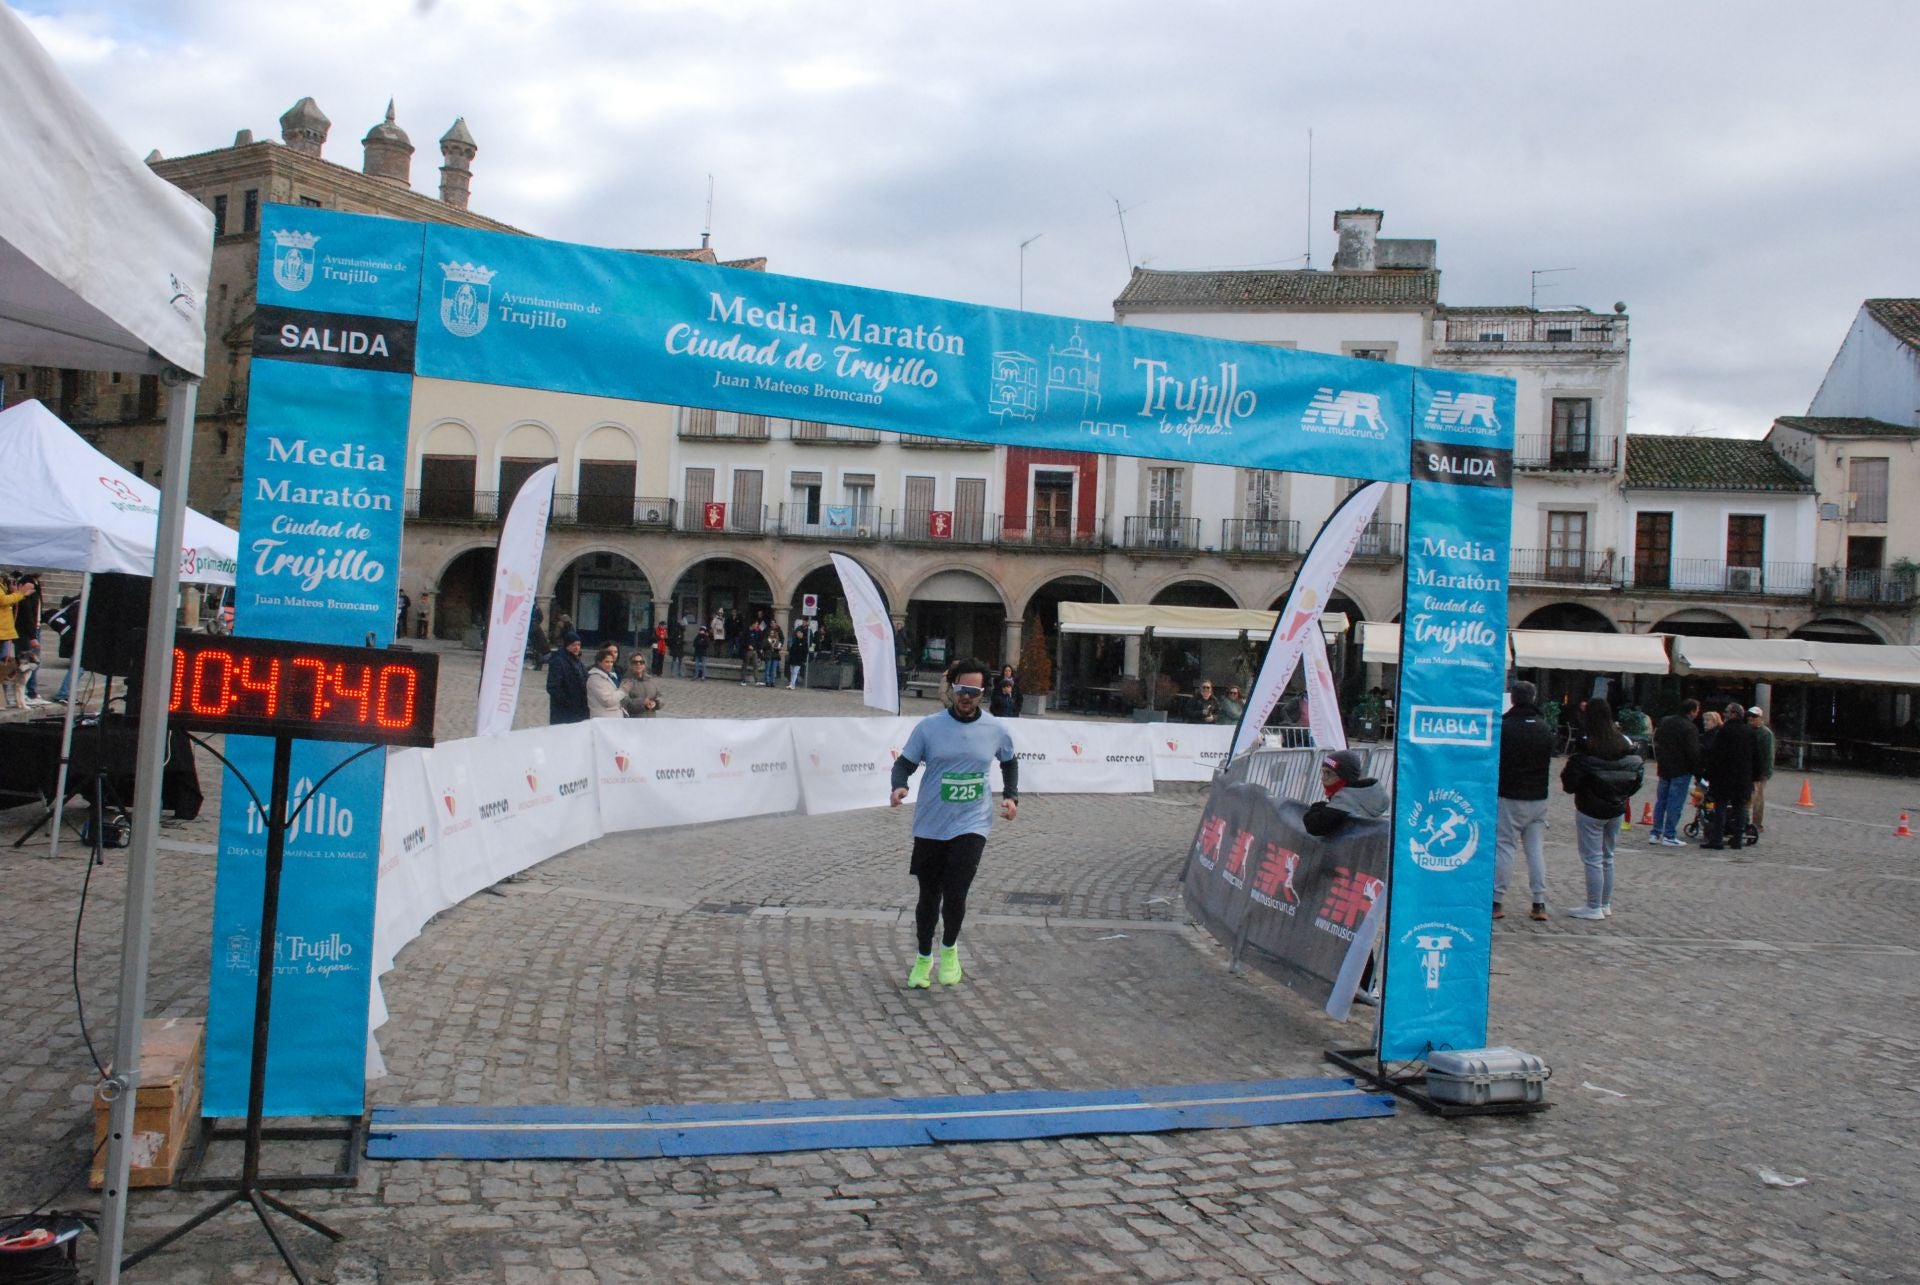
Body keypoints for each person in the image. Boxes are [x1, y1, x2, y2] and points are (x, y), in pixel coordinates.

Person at [888, 657, 1019, 989]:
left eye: (974, 692)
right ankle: (922, 958)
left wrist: (1011, 795)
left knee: (956, 892)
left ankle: (949, 951)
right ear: (952, 688)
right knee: (929, 896)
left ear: (983, 693)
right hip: (931, 824)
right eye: (961, 689)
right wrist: (899, 786)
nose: (966, 697)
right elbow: (903, 764)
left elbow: (1009, 761)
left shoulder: (995, 728)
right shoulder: (929, 727)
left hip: (972, 823)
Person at [1559, 698, 1644, 920]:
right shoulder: (1624, 743)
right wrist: (1623, 794)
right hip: (1616, 805)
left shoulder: (1587, 745)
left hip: (1590, 806)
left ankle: (1594, 905)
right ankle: (1604, 903)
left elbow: (1570, 781)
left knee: (1592, 857)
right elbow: (1636, 775)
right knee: (1608, 856)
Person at [1494, 680, 1554, 921]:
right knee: (1535, 850)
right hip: (1539, 796)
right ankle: (1539, 902)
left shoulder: (1505, 727)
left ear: (1513, 699)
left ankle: (1497, 901)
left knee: (1505, 846)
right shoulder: (1544, 728)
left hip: (1510, 794)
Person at [1702, 700, 1765, 850]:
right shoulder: (1749, 732)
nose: (1724, 714)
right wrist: (1756, 775)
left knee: (1721, 808)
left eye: (1726, 712)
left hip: (1724, 777)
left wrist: (1709, 773)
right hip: (1743, 777)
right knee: (1740, 807)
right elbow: (1756, 756)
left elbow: (1716, 755)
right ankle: (1737, 839)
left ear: (1734, 714)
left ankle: (1717, 839)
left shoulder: (1724, 731)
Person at [1650, 699, 1702, 848]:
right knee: (1675, 803)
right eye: (1697, 710)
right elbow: (1693, 752)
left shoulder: (1665, 722)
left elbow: (1657, 741)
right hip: (1681, 769)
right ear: (1692, 711)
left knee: (1661, 801)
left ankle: (1655, 833)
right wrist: (1697, 770)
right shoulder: (1689, 728)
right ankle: (1669, 834)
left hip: (1665, 767)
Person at [1304, 749, 1391, 837]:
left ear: (1345, 776)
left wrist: (1318, 807)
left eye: (1328, 773)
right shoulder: (1365, 795)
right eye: (1323, 772)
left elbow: (1314, 826)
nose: (1323, 778)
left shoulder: (1345, 800)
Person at [545, 631, 589, 724]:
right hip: (564, 711)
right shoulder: (558, 661)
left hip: (579, 709)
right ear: (567, 645)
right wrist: (568, 702)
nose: (577, 647)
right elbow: (553, 687)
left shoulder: (578, 661)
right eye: (573, 645)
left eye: (578, 645)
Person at [1747, 706, 1775, 841]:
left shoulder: (1765, 733)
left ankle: (1757, 823)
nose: (1751, 718)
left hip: (1759, 771)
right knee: (1749, 797)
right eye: (1750, 716)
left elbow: (1768, 754)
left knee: (1757, 798)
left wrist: (1766, 772)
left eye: (1754, 716)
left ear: (1760, 718)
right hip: (1748, 769)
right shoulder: (1747, 730)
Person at [619, 650, 664, 717]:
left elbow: (660, 697)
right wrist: (643, 703)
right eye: (635, 662)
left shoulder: (650, 680)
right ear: (631, 665)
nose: (638, 664)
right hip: (634, 721)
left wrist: (655, 703)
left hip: (651, 720)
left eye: (641, 662)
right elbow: (625, 703)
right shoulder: (626, 682)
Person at [586, 643, 626, 718]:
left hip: (612, 719)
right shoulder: (595, 678)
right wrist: (623, 690)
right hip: (603, 721)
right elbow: (608, 701)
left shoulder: (609, 676)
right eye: (607, 662)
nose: (610, 664)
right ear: (599, 662)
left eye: (611, 662)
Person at [786, 620, 809, 689]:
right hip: (793, 658)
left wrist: (803, 659)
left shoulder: (804, 642)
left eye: (799, 633)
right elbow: (792, 649)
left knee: (795, 672)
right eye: (797, 633)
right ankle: (791, 683)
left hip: (799, 659)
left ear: (802, 633)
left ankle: (792, 684)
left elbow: (805, 651)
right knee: (792, 671)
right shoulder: (795, 640)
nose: (798, 634)